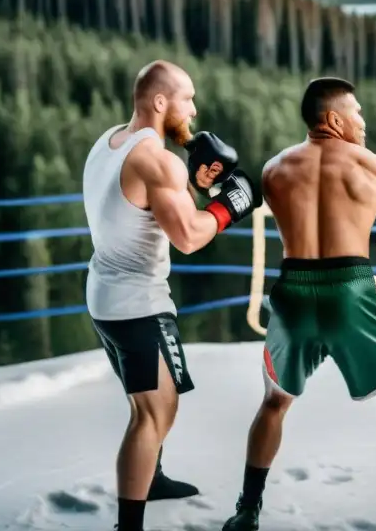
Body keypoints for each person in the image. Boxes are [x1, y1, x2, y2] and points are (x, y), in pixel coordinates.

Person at [220, 76, 376, 531]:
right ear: (334, 119)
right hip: (350, 290)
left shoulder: (275, 169)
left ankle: (246, 511)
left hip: (292, 292)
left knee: (275, 401)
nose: (364, 121)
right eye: (357, 112)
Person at [82, 60, 261, 531]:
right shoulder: (156, 160)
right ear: (161, 102)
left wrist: (195, 184)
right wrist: (229, 205)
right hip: (136, 303)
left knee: (145, 402)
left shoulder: (111, 141)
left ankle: (152, 477)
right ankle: (130, 525)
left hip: (103, 291)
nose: (195, 110)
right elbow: (187, 236)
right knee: (155, 411)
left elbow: (145, 205)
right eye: (188, 99)